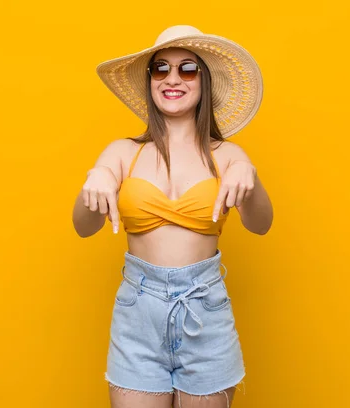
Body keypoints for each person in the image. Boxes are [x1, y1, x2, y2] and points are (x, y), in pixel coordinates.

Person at [72, 25, 273, 408]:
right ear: (150, 81)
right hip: (137, 313)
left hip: (205, 310)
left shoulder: (227, 155)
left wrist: (251, 175)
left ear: (204, 81)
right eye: (160, 69)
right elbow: (83, 227)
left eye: (188, 69)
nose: (172, 78)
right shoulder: (121, 152)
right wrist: (92, 182)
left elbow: (260, 225)